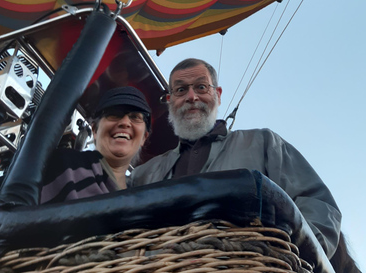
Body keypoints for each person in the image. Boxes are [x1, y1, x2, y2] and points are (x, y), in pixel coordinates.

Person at [129, 58, 341, 259]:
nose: (191, 96)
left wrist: (300, 257)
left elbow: (316, 203)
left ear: (218, 95)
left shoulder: (263, 143)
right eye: (181, 89)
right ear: (170, 101)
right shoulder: (144, 174)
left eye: (201, 87)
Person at [0, 86, 150, 209]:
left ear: (144, 137)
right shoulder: (64, 164)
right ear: (95, 130)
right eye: (114, 115)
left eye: (135, 117)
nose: (125, 122)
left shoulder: (141, 199)